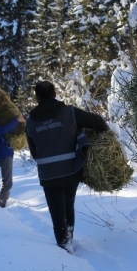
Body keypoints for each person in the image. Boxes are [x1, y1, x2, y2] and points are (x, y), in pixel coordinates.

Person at [25, 81, 109, 253]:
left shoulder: (30, 122)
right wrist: (106, 137)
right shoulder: (70, 112)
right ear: (55, 94)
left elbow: (34, 152)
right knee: (68, 204)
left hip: (48, 175)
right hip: (71, 170)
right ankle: (69, 236)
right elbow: (97, 121)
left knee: (57, 212)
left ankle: (64, 245)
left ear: (37, 98)